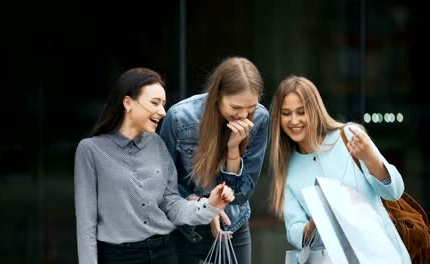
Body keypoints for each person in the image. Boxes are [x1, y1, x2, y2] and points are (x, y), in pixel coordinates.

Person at [74, 67, 235, 264]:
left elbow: (172, 204)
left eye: (164, 104)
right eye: (155, 103)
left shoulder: (157, 144)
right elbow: (86, 226)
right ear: (128, 102)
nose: (162, 111)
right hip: (118, 257)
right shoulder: (90, 151)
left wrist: (210, 205)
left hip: (164, 253)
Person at [268, 75, 411, 261]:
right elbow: (294, 231)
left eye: (301, 112)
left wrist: (371, 158)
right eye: (286, 113)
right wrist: (314, 223)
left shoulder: (348, 135)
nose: (294, 120)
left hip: (380, 255)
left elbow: (394, 192)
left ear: (314, 111)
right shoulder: (287, 167)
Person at [159, 57, 269, 264]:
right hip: (186, 230)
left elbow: (241, 194)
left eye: (251, 107)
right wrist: (205, 207)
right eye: (235, 107)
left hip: (233, 228)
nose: (244, 115)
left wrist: (233, 150)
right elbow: (165, 186)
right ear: (217, 95)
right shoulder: (179, 117)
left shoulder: (260, 118)